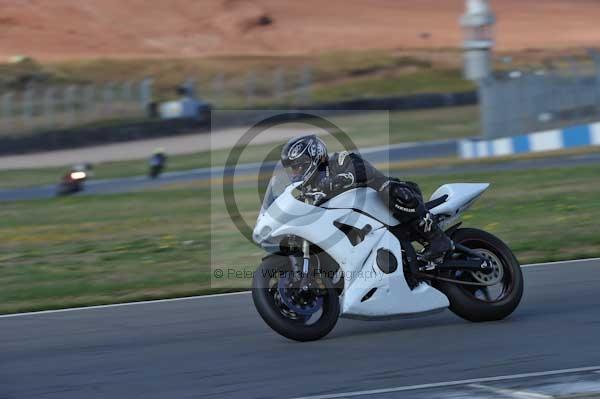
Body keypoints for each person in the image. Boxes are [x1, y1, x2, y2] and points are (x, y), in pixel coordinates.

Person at [280, 134, 453, 264]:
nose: (295, 173)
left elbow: (364, 169)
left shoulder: (338, 161)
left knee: (387, 189)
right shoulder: (309, 193)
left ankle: (437, 239)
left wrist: (341, 179)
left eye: (298, 167)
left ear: (314, 158)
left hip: (396, 205)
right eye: (292, 170)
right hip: (364, 231)